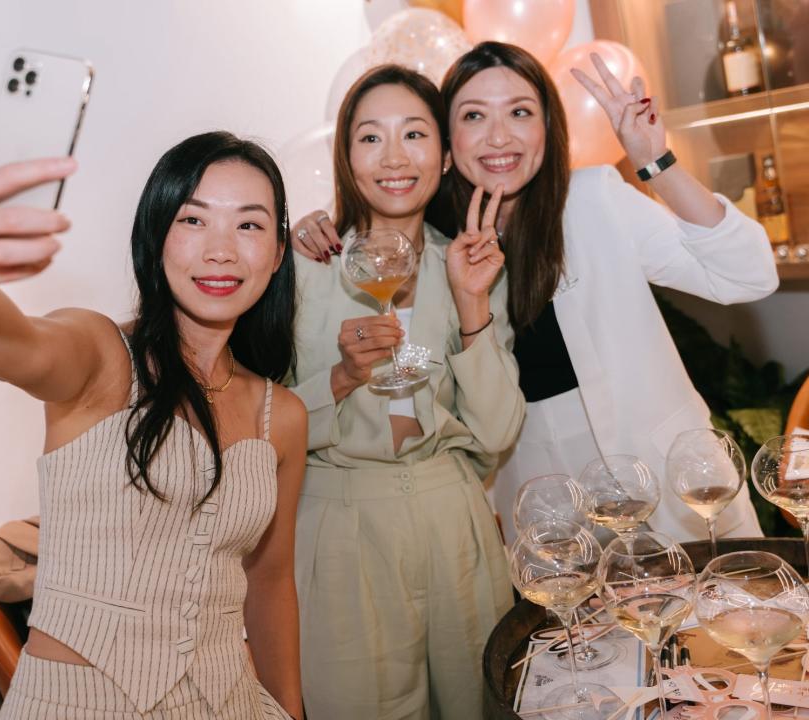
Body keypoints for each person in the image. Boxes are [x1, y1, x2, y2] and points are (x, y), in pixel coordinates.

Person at [295, 44, 777, 546]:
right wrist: (322, 223)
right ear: (446, 143)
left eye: (520, 112)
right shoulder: (437, 244)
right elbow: (419, 364)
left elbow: (747, 276)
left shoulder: (594, 200)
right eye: (474, 115)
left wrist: (655, 161)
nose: (498, 136)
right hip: (538, 493)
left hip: (662, 475)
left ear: (548, 125)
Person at [0, 132, 305, 719]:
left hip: (230, 701)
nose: (221, 251)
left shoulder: (281, 415)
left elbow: (270, 581)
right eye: (193, 220)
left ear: (279, 251)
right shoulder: (100, 355)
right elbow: (15, 344)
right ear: (155, 235)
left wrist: (291, 709)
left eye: (249, 225)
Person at [288, 64, 525, 719]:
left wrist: (472, 302)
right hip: (340, 528)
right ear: (346, 156)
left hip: (454, 525)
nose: (394, 157)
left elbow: (498, 431)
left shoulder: (470, 263)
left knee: (482, 704)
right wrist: (340, 379)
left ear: (446, 156)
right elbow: (258, 423)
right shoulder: (305, 271)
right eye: (371, 138)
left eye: (415, 134)